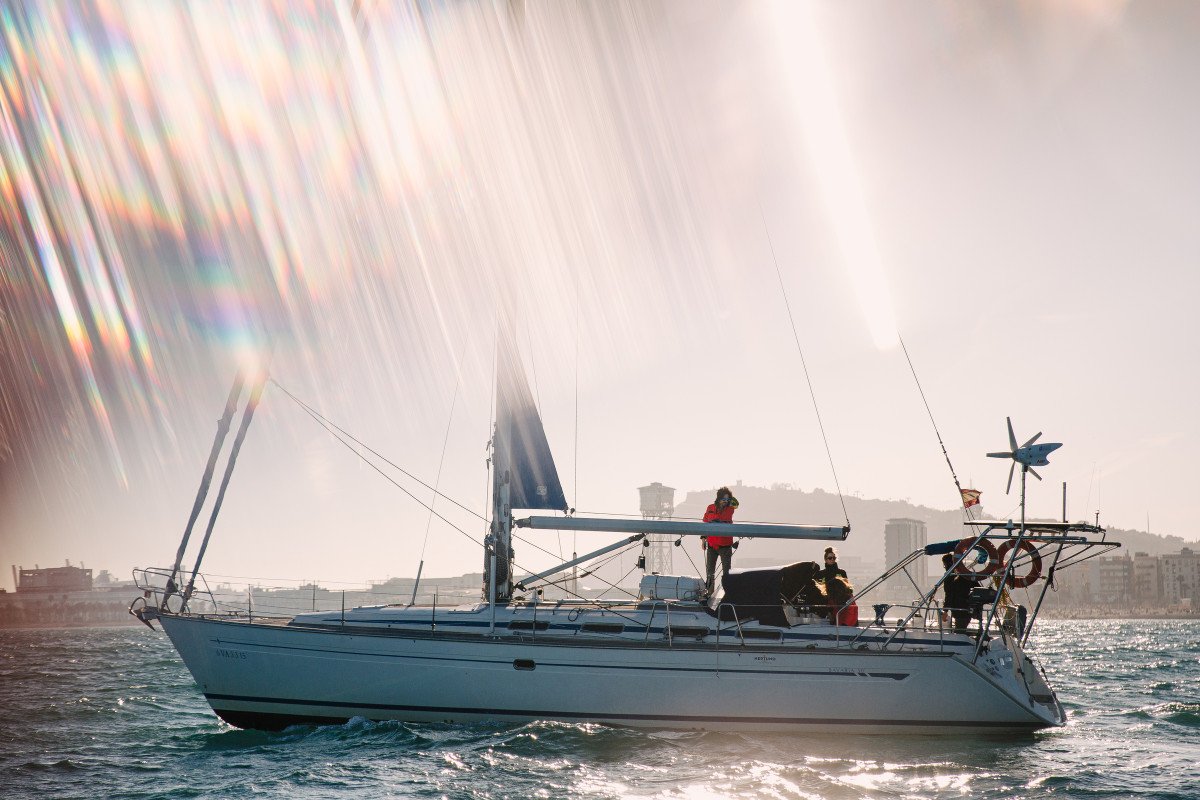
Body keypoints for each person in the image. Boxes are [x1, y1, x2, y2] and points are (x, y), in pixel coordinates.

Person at [702, 487, 739, 596]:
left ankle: (727, 594)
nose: (725, 501)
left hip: (725, 545)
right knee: (710, 572)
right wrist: (703, 538)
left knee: (726, 573)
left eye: (727, 499)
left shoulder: (730, 508)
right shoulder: (710, 507)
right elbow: (705, 524)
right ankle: (709, 594)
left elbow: (737, 503)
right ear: (718, 498)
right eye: (723, 499)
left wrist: (729, 499)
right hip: (712, 544)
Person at [941, 552, 981, 634]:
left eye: (944, 564)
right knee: (962, 627)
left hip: (959, 609)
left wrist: (945, 611)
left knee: (960, 630)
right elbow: (978, 587)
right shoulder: (965, 574)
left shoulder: (949, 576)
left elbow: (949, 595)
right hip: (968, 608)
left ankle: (964, 643)